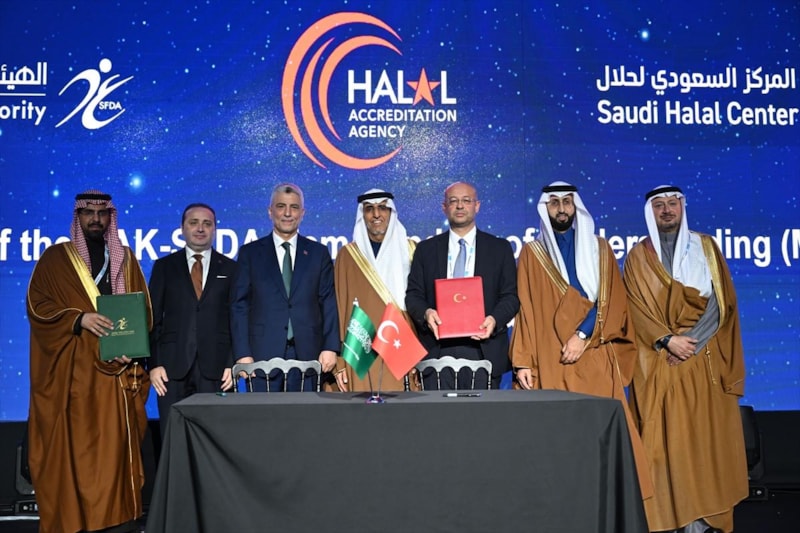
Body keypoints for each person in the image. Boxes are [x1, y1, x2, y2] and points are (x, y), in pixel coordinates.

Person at [509, 181, 653, 500]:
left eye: (567, 202)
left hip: (594, 353)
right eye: (554, 202)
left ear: (576, 207)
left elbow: (612, 300)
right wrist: (523, 361)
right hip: (550, 357)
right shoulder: (532, 254)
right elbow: (525, 310)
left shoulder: (600, 248)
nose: (561, 208)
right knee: (557, 438)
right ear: (545, 208)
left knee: (600, 434)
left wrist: (582, 334)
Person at [623, 185, 748, 533]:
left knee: (704, 442)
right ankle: (668, 520)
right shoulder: (637, 257)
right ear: (651, 212)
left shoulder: (706, 247)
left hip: (701, 361)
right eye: (659, 205)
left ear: (682, 207)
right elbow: (634, 309)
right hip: (658, 362)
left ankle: (704, 521)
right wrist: (668, 340)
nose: (667, 210)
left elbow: (722, 302)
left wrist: (690, 343)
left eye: (672, 204)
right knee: (665, 445)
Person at [26, 190, 151, 533]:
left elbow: (141, 311)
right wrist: (79, 319)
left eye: (102, 213)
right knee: (80, 453)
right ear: (78, 217)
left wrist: (132, 348)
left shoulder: (126, 259)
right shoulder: (55, 259)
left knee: (114, 453)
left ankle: (117, 517)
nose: (96, 219)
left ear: (111, 217)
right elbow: (38, 306)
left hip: (116, 376)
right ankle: (80, 519)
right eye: (88, 213)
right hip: (76, 378)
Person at [405, 181, 519, 389]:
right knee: (436, 411)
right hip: (437, 350)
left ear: (477, 206)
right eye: (453, 201)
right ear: (444, 207)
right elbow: (413, 296)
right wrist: (427, 313)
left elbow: (510, 297)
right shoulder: (425, 250)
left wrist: (494, 320)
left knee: (481, 412)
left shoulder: (499, 248)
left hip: (484, 349)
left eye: (466, 200)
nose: (460, 206)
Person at [230, 183, 339, 390]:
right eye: (281, 206)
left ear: (302, 213)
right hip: (260, 357)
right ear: (270, 211)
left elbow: (328, 302)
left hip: (309, 356)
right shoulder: (250, 253)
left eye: (294, 207)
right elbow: (239, 306)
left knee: (305, 411)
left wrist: (330, 347)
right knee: (263, 412)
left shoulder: (318, 253)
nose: (288, 213)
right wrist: (242, 353)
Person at [148, 203, 237, 439]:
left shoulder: (231, 268)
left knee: (216, 437)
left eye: (207, 224)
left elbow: (237, 320)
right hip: (171, 369)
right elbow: (153, 319)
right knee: (173, 436)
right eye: (194, 223)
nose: (200, 229)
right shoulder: (164, 267)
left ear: (215, 229)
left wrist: (232, 364)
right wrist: (154, 364)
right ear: (182, 228)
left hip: (217, 369)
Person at [332, 189, 417, 392]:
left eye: (382, 208)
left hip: (403, 347)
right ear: (362, 215)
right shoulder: (348, 255)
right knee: (361, 408)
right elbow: (339, 308)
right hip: (359, 348)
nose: (376, 214)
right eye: (369, 209)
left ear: (391, 212)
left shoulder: (411, 250)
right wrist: (339, 361)